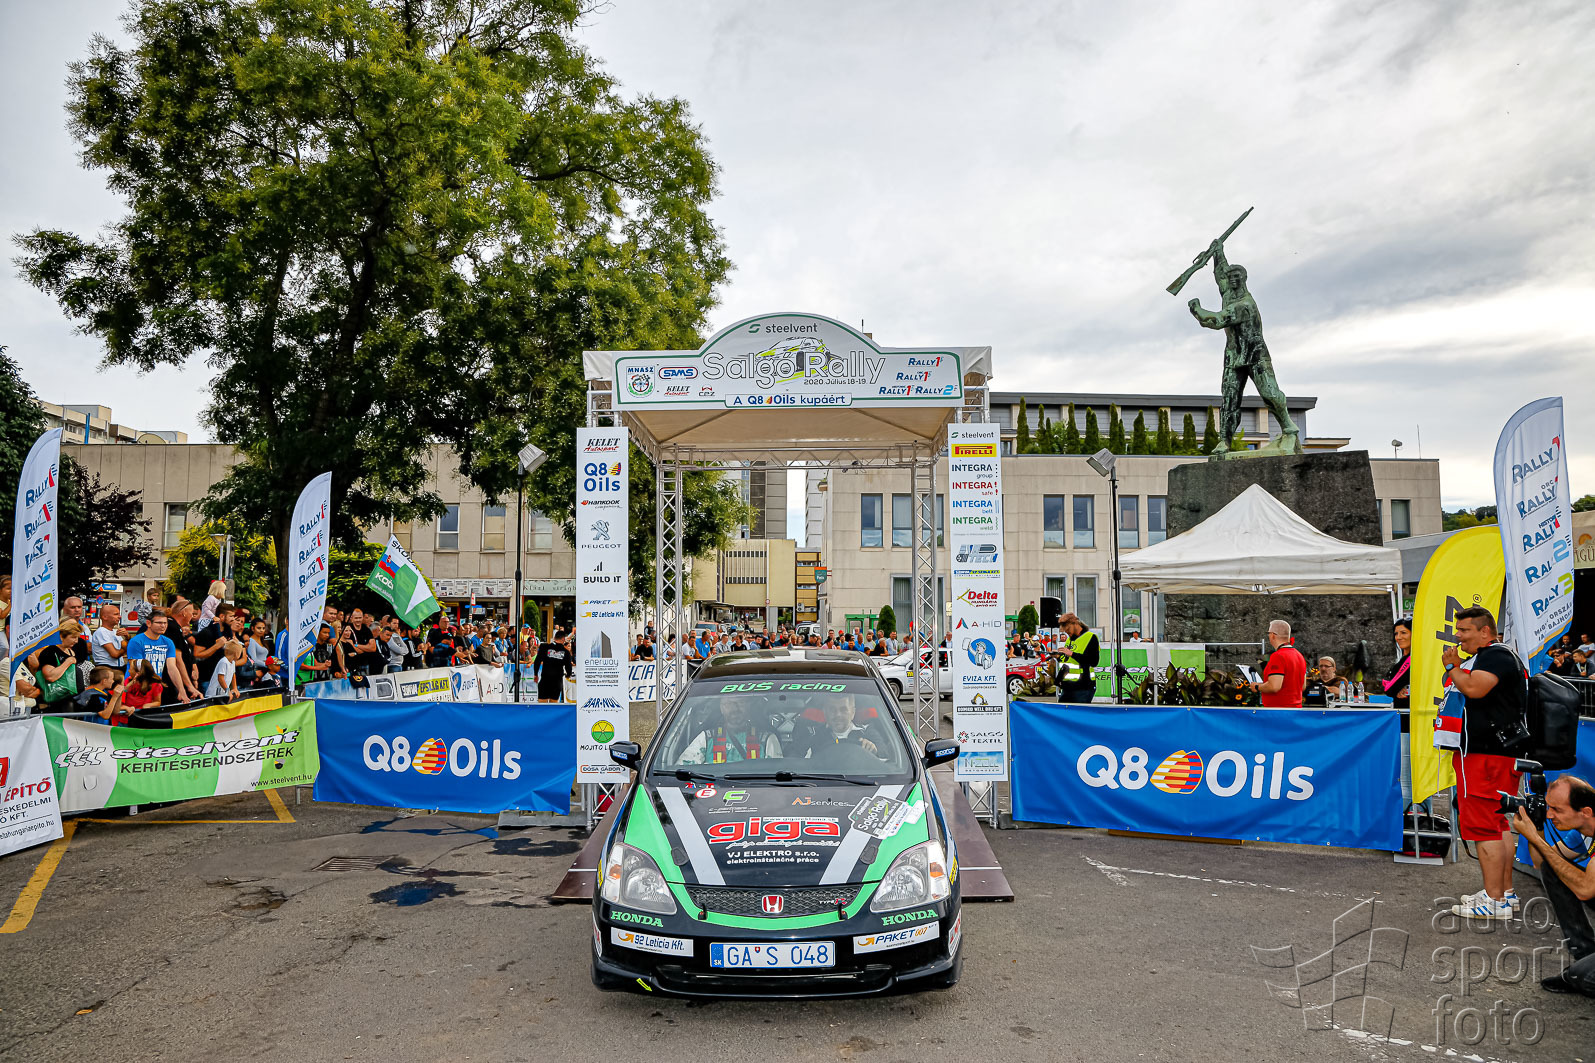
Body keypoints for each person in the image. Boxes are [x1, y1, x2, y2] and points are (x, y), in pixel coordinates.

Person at [1443, 606, 1528, 920]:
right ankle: (1504, 893)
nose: (1458, 637)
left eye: (1464, 630)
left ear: (1485, 631)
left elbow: (1474, 688)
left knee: (1484, 826)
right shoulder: (1498, 656)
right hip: (1497, 753)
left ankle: (1495, 901)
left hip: (1485, 755)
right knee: (1497, 822)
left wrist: (1452, 667)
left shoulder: (1494, 655)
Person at [1513, 776, 1595, 998]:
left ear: (1585, 811)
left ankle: (1583, 969)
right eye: (1548, 808)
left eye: (1556, 809)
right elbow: (1542, 863)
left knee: (1581, 977)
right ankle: (1586, 954)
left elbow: (1585, 890)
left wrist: (1536, 838)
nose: (1550, 815)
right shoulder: (1582, 828)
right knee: (1554, 868)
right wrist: (1537, 828)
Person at [678, 695, 782, 764]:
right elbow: (683, 771)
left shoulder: (767, 740)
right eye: (728, 704)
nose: (735, 709)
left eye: (740, 703)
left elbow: (778, 777)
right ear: (721, 708)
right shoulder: (706, 738)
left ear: (749, 706)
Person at [795, 694, 886, 760]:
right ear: (825, 712)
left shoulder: (867, 733)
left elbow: (887, 758)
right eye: (832, 709)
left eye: (843, 710)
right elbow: (794, 760)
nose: (838, 714)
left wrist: (874, 751)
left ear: (853, 713)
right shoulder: (812, 736)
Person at [34, 621, 87, 711]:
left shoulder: (70, 651)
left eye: (77, 637)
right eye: (73, 637)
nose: (76, 641)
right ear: (62, 636)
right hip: (58, 701)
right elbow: (50, 676)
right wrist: (68, 662)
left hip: (72, 698)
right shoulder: (50, 652)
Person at [1255, 620, 1306, 708]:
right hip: (1296, 709)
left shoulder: (1278, 656)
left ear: (1273, 635)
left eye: (1269, 633)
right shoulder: (1299, 655)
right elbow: (1302, 686)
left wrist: (1257, 686)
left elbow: (1274, 686)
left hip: (1278, 710)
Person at [1054, 613, 1101, 704]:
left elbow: (1094, 661)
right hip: (1067, 686)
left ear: (1075, 623)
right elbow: (1069, 661)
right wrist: (1058, 657)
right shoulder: (1070, 639)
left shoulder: (1091, 637)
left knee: (1079, 712)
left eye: (1068, 629)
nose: (1067, 633)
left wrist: (1072, 654)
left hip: (1083, 687)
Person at [533, 633, 573, 703]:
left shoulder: (544, 647)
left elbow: (537, 661)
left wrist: (535, 674)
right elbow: (569, 668)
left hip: (545, 680)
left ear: (554, 638)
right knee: (554, 704)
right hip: (557, 682)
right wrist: (568, 675)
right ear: (563, 640)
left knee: (542, 704)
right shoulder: (566, 652)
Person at [1383, 618, 1412, 708]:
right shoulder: (1402, 660)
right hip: (1400, 710)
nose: (1398, 637)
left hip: (1410, 711)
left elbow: (1390, 689)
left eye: (1403, 633)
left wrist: (1403, 689)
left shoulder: (1414, 659)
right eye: (1396, 634)